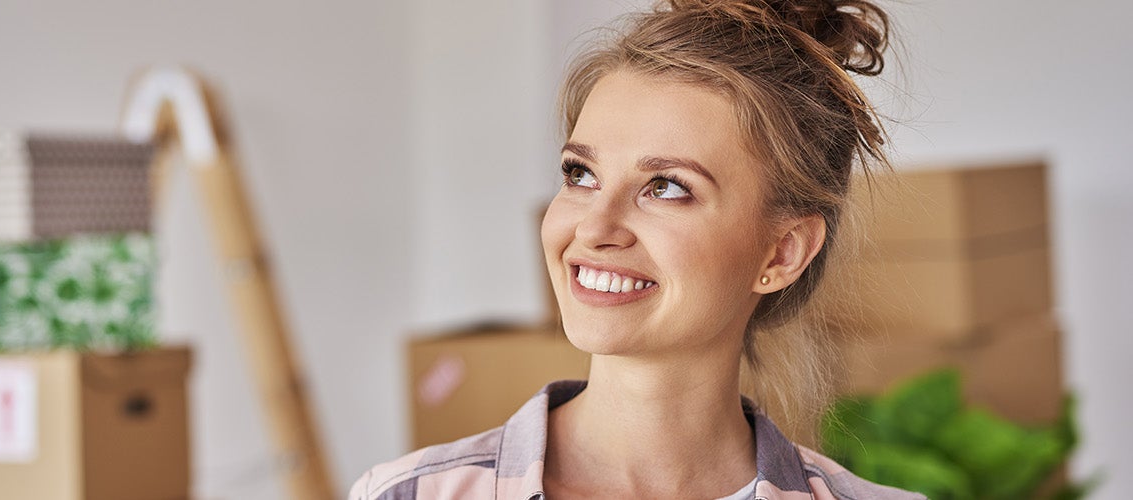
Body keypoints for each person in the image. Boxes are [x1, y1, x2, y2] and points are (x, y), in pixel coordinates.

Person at [350, 0, 925, 498]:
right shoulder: (408, 494)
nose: (595, 227)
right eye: (580, 174)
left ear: (781, 253)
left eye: (667, 187)